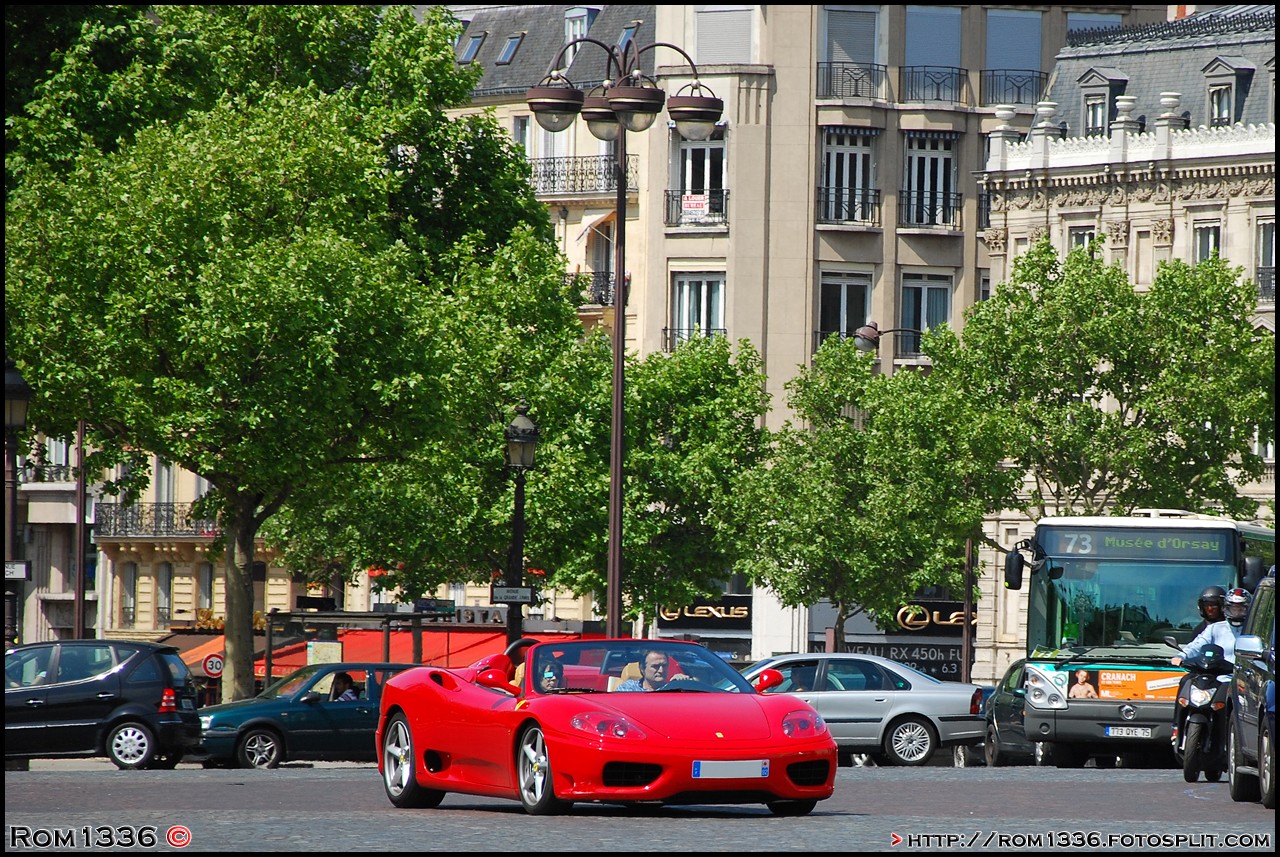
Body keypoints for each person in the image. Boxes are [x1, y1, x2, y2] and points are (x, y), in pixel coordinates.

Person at [1172, 587, 1251, 667]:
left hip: (1245, 677)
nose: (1236, 613)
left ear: (1248, 610)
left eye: (1241, 609)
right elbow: (1196, 646)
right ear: (1225, 608)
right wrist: (1182, 656)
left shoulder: (1254, 630)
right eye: (1233, 609)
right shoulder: (1214, 628)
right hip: (1218, 676)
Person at [615, 649, 692, 692]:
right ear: (642, 669)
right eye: (655, 666)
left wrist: (682, 684)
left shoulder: (674, 688)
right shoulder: (628, 688)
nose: (661, 670)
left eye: (664, 665)